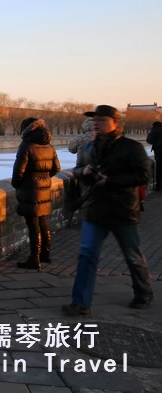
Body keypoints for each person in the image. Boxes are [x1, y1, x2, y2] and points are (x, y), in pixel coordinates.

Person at [62, 105, 153, 316]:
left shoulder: (131, 147)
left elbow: (142, 175)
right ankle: (81, 302)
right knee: (86, 255)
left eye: (102, 119)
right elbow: (78, 172)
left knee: (132, 255)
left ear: (115, 123)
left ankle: (143, 292)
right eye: (94, 119)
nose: (96, 123)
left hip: (123, 210)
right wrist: (82, 171)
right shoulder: (87, 149)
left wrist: (110, 181)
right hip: (95, 209)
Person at [11, 118, 61, 269]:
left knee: (33, 225)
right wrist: (43, 178)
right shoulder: (49, 146)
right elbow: (56, 168)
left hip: (30, 190)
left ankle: (34, 259)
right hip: (44, 189)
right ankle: (45, 255)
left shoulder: (26, 145)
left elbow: (18, 172)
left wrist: (19, 184)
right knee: (43, 222)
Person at [146, 121, 162, 191]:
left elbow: (149, 140)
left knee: (159, 169)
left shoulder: (154, 130)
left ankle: (159, 186)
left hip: (159, 152)